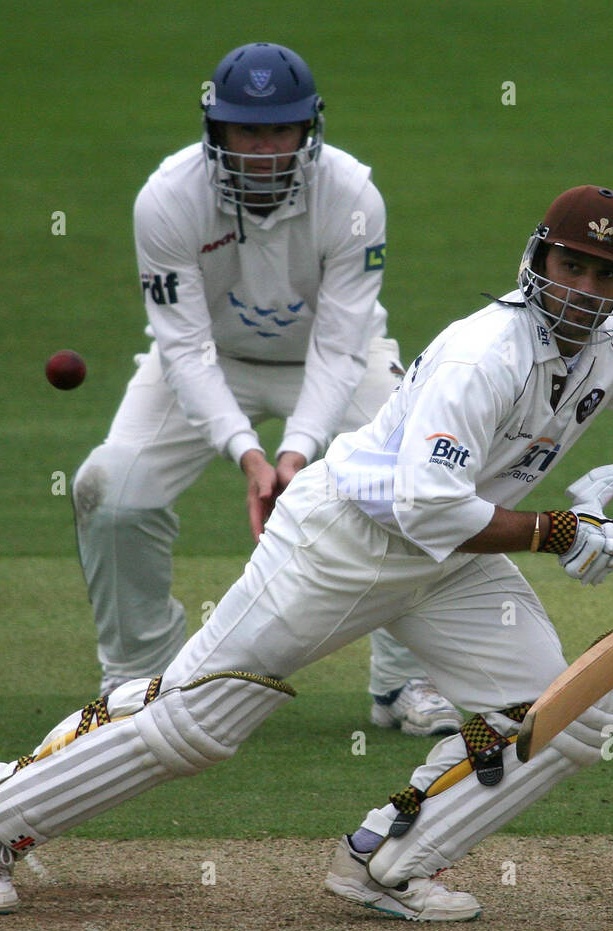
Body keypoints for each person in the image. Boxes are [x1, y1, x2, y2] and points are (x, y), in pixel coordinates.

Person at [0, 184, 613, 920]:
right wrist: (560, 532)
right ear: (538, 262)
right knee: (200, 721)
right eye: (572, 267)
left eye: (606, 275)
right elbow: (428, 503)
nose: (585, 290)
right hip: (341, 542)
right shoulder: (485, 355)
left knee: (569, 713)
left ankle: (389, 862)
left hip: (451, 562)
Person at [72, 41, 459, 737]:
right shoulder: (166, 198)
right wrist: (251, 455)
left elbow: (342, 344)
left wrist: (298, 452)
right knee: (110, 494)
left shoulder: (353, 196)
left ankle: (405, 677)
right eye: (246, 130)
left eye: (279, 129)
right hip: (206, 361)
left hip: (336, 361)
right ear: (215, 130)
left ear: (308, 130)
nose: (262, 148)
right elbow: (183, 347)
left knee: (420, 478)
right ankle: (140, 681)